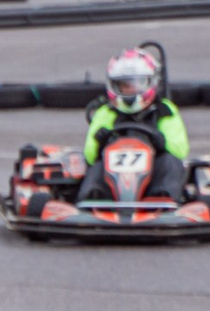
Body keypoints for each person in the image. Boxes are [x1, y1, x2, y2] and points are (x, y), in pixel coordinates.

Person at [78, 47, 191, 203]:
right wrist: (100, 142)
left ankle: (162, 197)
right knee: (97, 165)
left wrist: (162, 142)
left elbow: (180, 149)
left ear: (151, 82)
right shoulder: (106, 112)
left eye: (137, 84)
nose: (130, 90)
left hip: (153, 172)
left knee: (170, 162)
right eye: (124, 85)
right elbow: (89, 156)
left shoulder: (164, 109)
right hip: (112, 175)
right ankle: (94, 199)